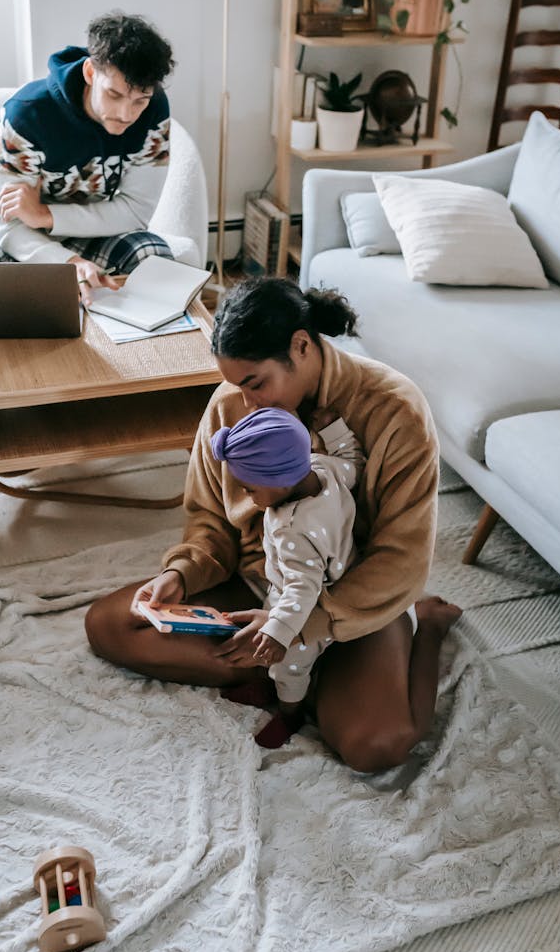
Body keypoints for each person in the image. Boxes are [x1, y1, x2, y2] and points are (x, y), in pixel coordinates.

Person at [85, 278, 462, 773]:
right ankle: (292, 679)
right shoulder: (230, 405)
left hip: (352, 603)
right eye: (236, 385)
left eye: (255, 383)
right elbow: (210, 522)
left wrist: (305, 622)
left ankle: (424, 626)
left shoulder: (394, 410)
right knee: (112, 624)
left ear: (301, 346)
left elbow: (402, 558)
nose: (245, 402)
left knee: (377, 745)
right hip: (262, 584)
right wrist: (180, 575)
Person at [0, 12, 175, 304]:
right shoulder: (27, 114)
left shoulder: (154, 111)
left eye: (139, 101)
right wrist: (68, 263)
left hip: (86, 227)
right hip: (0, 225)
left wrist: (46, 216)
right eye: (114, 95)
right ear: (91, 73)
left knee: (155, 259)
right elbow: (10, 225)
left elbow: (136, 211)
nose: (126, 114)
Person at [210, 404, 367, 749]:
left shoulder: (295, 529)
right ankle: (270, 685)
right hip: (306, 579)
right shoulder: (323, 468)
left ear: (279, 483)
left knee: (289, 665)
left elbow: (303, 589)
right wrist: (335, 430)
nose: (249, 499)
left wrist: (281, 632)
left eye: (249, 489)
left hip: (311, 603)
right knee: (272, 619)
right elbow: (354, 461)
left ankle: (290, 711)